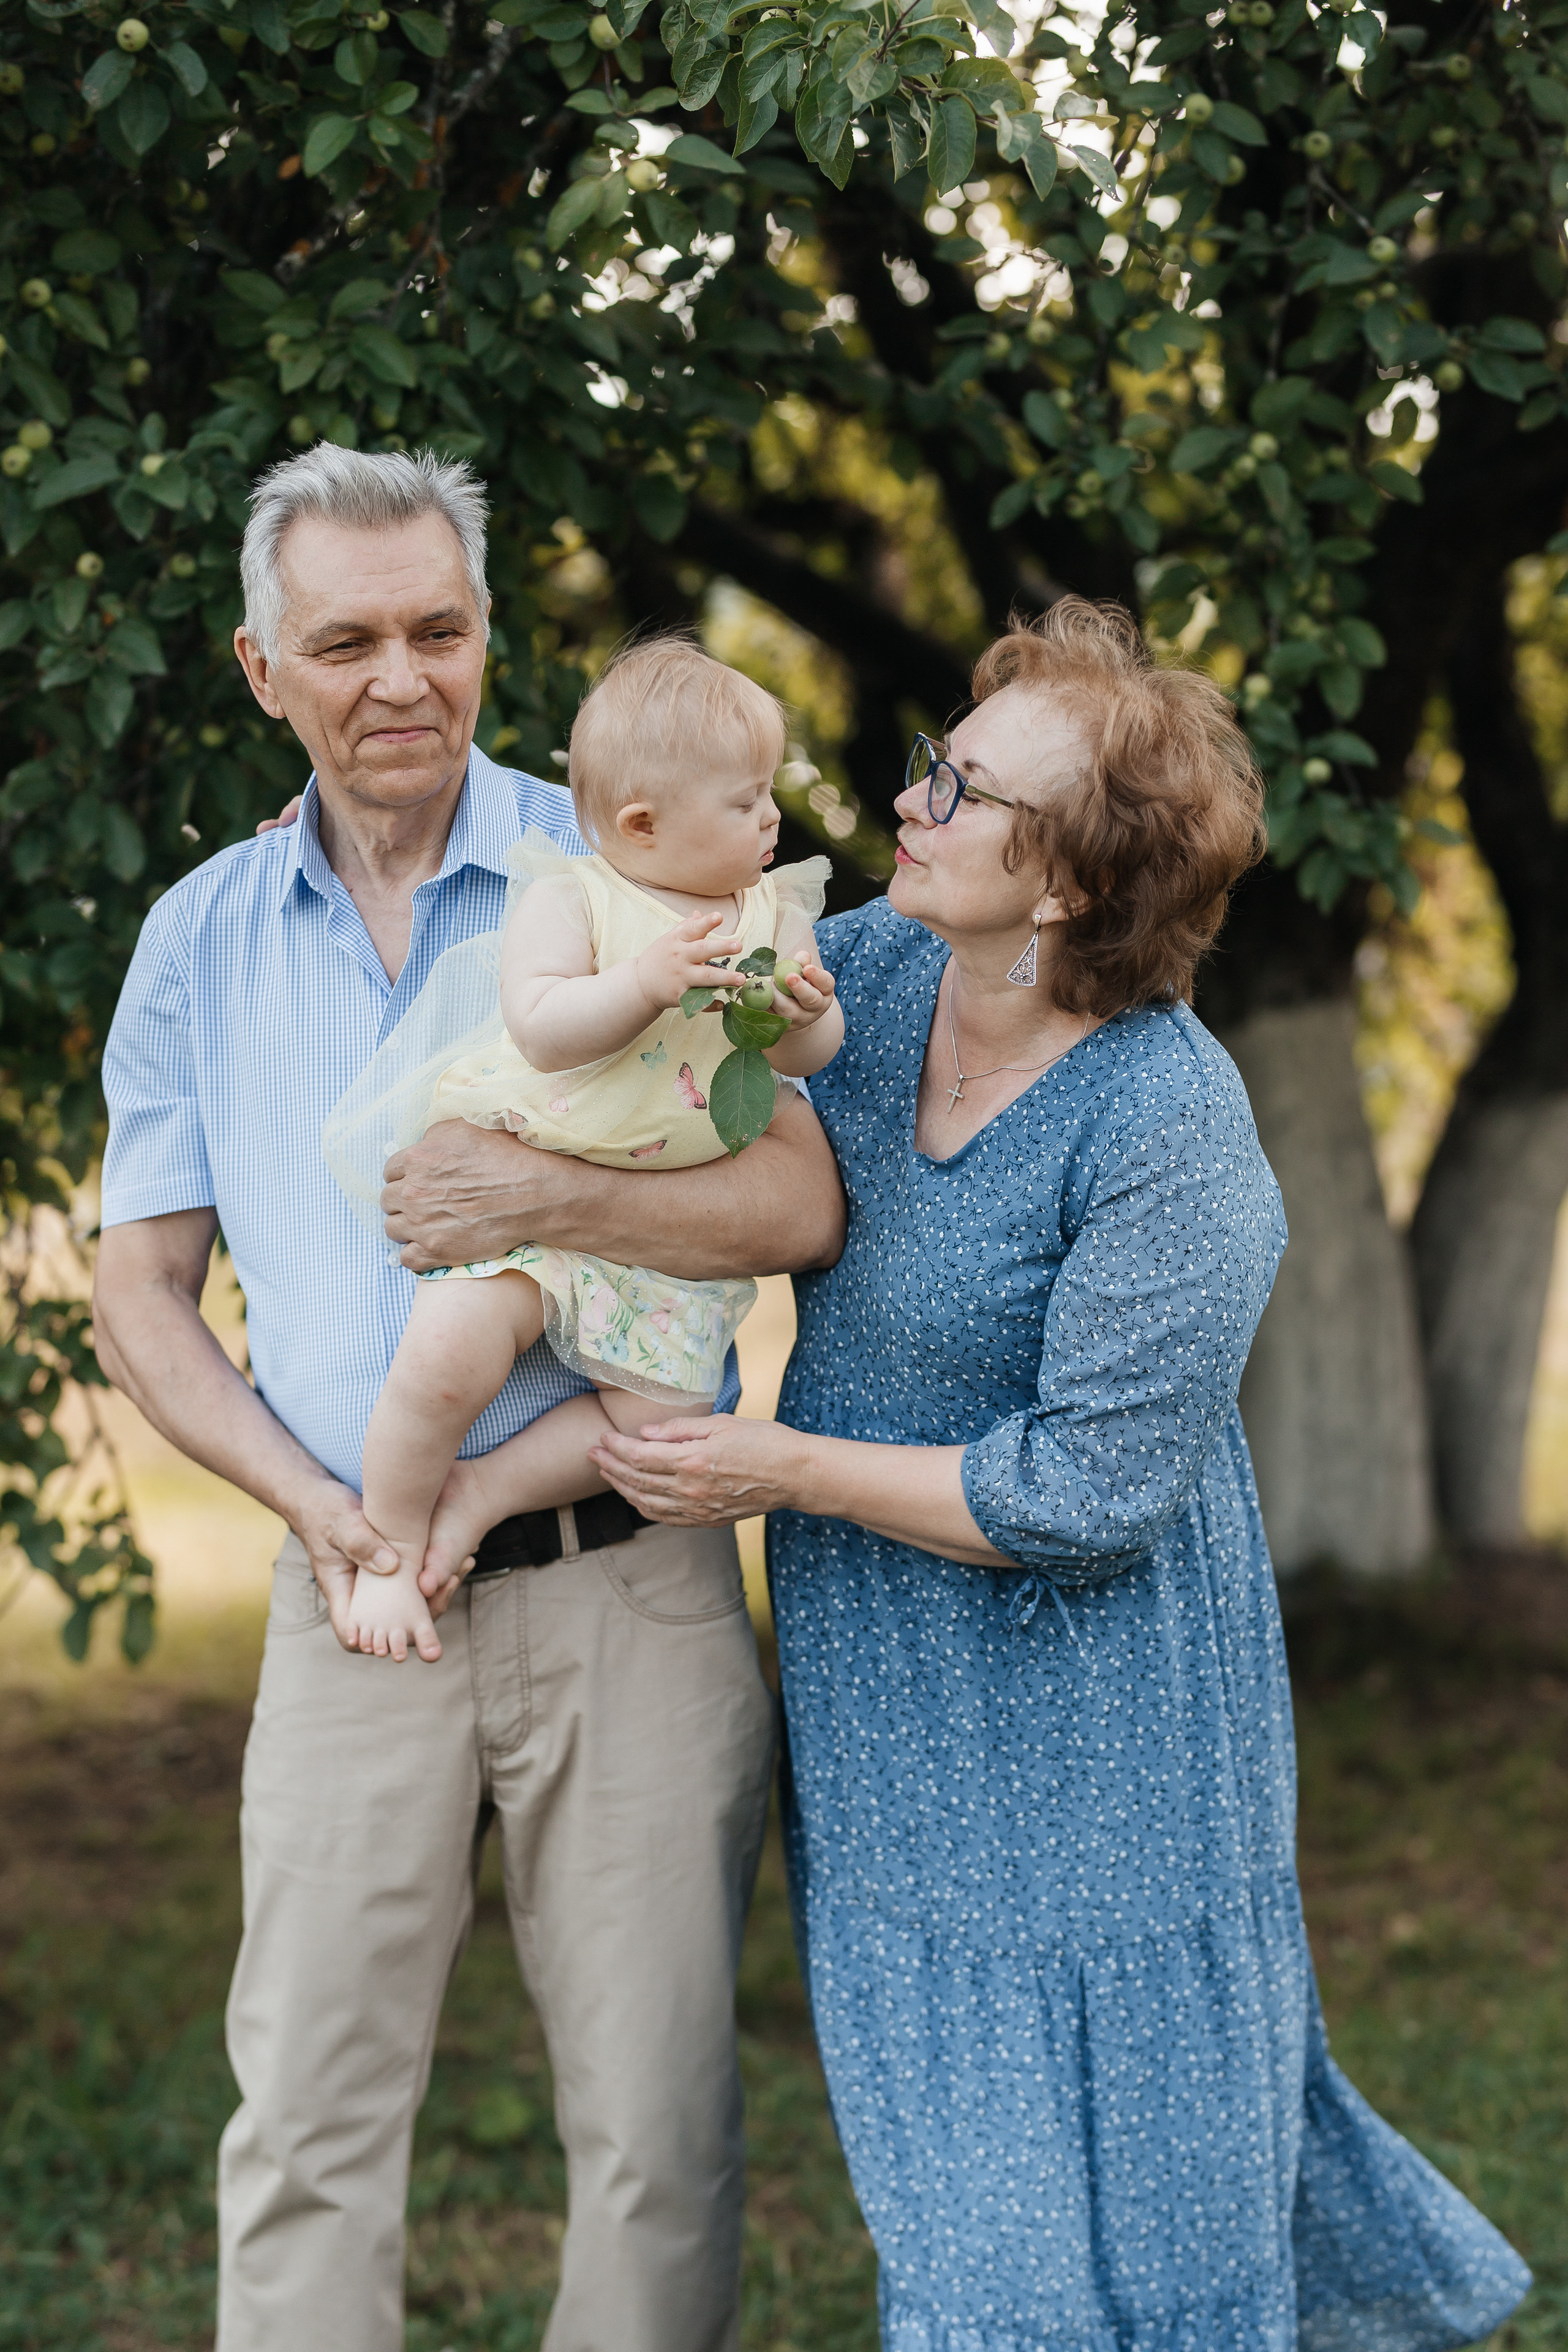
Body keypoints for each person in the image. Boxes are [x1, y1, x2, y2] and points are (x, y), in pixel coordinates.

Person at [586, 600, 1534, 2351]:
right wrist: (390, 825)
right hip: (889, 1697)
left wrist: (784, 1468)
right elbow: (635, 882)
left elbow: (1087, 1499)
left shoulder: (1169, 1123)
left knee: (1153, 2207)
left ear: (1075, 885)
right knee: (963, 2213)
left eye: (963, 792)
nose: (908, 800)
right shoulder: (863, 978)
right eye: (932, 763)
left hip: (1105, 1729)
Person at [90, 444, 846, 2352]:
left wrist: (543, 1202)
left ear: (488, 637)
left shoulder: (636, 860)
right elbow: (141, 1291)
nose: (400, 679)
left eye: (438, 630)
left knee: (661, 2135)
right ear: (265, 670)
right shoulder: (197, 939)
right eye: (347, 642)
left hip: (628, 1580)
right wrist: (323, 1513)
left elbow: (801, 1203)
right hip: (351, 1589)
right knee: (308, 2125)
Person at [331, 636, 843, 1662]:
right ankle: (388, 1545)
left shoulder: (771, 912)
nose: (772, 818)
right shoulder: (574, 894)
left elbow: (807, 1055)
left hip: (654, 1230)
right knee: (444, 1363)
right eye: (746, 800)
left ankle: (483, 1491)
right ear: (643, 823)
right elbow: (542, 1026)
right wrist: (645, 983)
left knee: (665, 1437)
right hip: (527, 1179)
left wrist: (804, 1013)